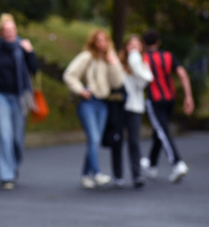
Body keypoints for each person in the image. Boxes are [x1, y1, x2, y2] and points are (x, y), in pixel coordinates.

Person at [63, 29, 125, 189]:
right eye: (98, 40)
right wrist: (80, 90)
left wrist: (113, 64)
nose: (102, 44)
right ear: (93, 42)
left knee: (94, 140)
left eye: (104, 40)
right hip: (88, 102)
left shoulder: (110, 58)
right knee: (94, 137)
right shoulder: (87, 57)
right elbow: (69, 74)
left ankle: (85, 175)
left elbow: (117, 83)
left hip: (103, 103)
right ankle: (97, 173)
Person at [0, 14, 38, 190]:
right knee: (4, 135)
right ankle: (6, 175)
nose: (9, 33)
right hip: (0, 95)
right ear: (1, 32)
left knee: (17, 138)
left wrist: (30, 52)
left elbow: (34, 69)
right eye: (6, 30)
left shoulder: (22, 48)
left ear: (16, 31)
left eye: (12, 30)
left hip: (19, 96)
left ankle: (14, 166)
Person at [140, 30, 194, 183]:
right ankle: (151, 164)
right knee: (160, 130)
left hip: (155, 100)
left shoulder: (143, 59)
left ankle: (177, 163)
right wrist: (188, 96)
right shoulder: (168, 56)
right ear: (158, 42)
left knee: (162, 130)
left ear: (144, 44)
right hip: (170, 99)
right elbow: (183, 74)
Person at [109, 35, 153, 188]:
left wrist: (135, 65)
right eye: (131, 45)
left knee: (134, 141)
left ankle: (137, 175)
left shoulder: (141, 65)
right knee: (117, 140)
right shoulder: (118, 63)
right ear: (126, 47)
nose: (133, 48)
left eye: (137, 45)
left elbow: (145, 81)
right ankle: (118, 175)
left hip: (135, 107)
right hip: (120, 106)